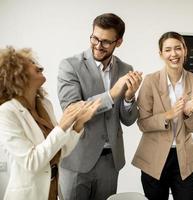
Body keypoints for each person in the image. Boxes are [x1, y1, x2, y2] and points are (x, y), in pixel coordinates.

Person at [57, 13, 142, 200]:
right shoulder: (70, 66)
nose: (97, 45)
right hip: (77, 159)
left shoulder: (126, 69)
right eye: (94, 38)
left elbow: (128, 120)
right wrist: (113, 93)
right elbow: (73, 110)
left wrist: (128, 97)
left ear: (118, 42)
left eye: (105, 42)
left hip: (110, 162)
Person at [0, 46, 100, 200]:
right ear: (17, 73)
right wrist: (62, 127)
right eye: (31, 62)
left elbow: (59, 152)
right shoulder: (6, 112)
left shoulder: (45, 104)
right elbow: (31, 162)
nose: (40, 66)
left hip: (52, 192)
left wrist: (78, 125)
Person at [132, 32, 193, 200]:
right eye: (168, 50)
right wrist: (168, 115)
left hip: (184, 157)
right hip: (154, 157)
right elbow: (143, 123)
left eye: (178, 48)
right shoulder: (150, 81)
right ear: (161, 54)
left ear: (185, 50)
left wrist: (188, 114)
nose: (174, 54)